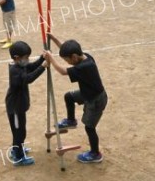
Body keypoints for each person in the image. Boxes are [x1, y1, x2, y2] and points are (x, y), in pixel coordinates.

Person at [44, 35, 108, 164]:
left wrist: (50, 58)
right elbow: (65, 48)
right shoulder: (84, 56)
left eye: (67, 60)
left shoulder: (85, 66)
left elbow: (62, 71)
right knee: (69, 96)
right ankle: (71, 120)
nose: (67, 62)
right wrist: (54, 38)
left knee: (89, 128)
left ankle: (95, 153)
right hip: (87, 93)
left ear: (74, 57)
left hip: (95, 100)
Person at [6, 41, 49, 166]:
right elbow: (28, 79)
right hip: (15, 108)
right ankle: (18, 157)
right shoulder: (15, 70)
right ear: (17, 58)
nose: (28, 60)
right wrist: (43, 67)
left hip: (19, 106)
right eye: (26, 58)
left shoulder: (20, 65)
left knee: (21, 131)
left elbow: (31, 66)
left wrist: (42, 58)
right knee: (19, 133)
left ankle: (17, 149)